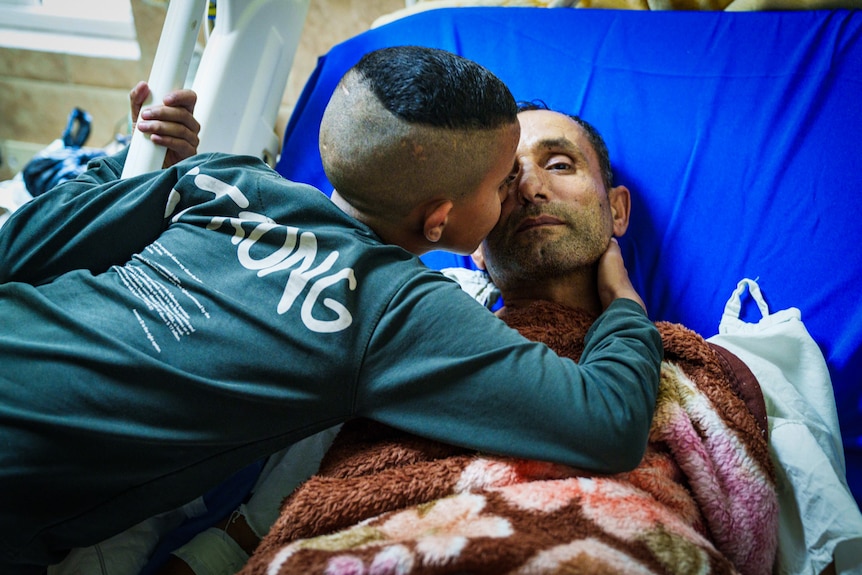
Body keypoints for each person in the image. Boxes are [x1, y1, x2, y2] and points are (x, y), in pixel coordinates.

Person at [0, 46, 661, 575]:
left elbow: (18, 246)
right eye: (501, 184)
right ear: (441, 222)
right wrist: (626, 302)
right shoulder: (397, 309)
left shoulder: (225, 179)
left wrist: (129, 169)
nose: (526, 192)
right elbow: (606, 421)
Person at [235, 102, 779, 575]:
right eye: (502, 182)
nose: (530, 187)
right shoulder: (406, 334)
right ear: (472, 239)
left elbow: (751, 533)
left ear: (616, 209)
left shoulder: (702, 370)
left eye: (559, 164)